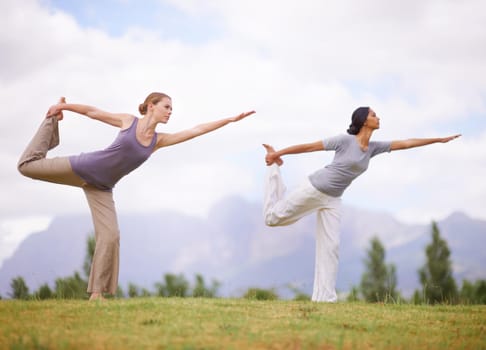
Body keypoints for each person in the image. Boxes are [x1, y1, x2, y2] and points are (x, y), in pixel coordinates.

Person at [18, 92, 255, 301]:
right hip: (83, 167)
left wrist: (230, 120)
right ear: (151, 105)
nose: (170, 112)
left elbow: (196, 131)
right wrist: (63, 108)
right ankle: (51, 122)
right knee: (27, 166)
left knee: (110, 236)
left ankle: (97, 295)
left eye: (172, 109)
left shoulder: (158, 141)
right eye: (166, 107)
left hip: (101, 188)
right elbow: (93, 112)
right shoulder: (128, 122)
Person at [262, 106, 460, 302]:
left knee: (331, 247)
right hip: (314, 188)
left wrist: (438, 140)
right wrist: (277, 154)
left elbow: (406, 143)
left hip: (333, 199)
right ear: (364, 120)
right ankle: (273, 169)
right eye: (374, 115)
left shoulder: (373, 148)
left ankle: (325, 299)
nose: (378, 117)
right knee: (272, 218)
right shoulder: (344, 141)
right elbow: (309, 147)